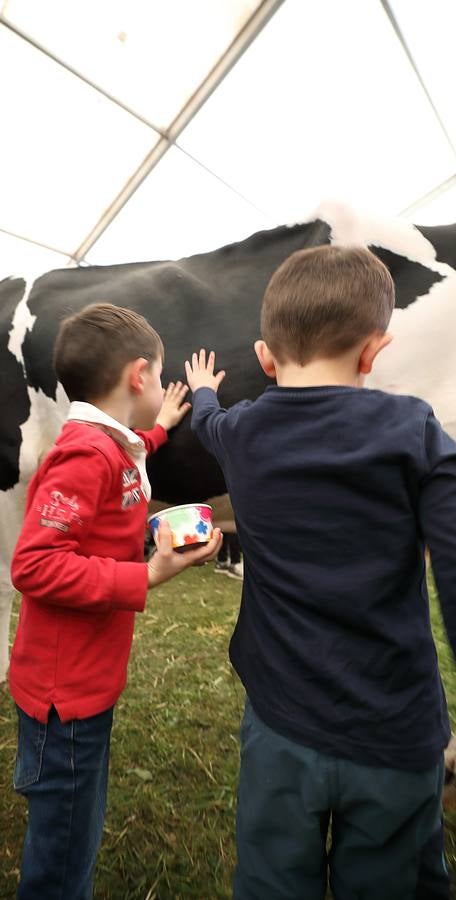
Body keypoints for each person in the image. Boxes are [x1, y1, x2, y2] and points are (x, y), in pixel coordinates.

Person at [185, 245, 456, 900]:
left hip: (280, 723)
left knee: (273, 881)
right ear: (375, 350)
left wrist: (200, 389)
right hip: (396, 729)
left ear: (265, 358)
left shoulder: (241, 433)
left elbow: (206, 420)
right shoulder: (414, 429)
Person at [9, 302, 222, 899]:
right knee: (65, 842)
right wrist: (147, 575)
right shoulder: (84, 455)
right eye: (158, 377)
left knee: (77, 817)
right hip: (64, 695)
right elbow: (34, 564)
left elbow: (128, 457)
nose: (161, 386)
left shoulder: (108, 445)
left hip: (85, 685)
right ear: (138, 376)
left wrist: (163, 426)